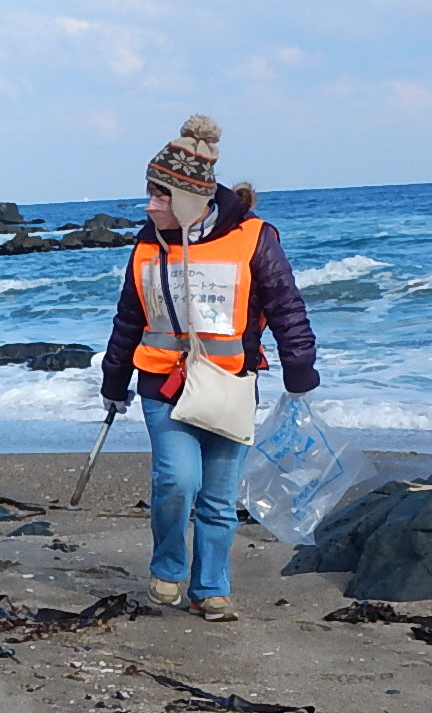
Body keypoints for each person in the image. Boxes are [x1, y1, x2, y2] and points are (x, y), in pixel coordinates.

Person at [100, 115, 319, 622]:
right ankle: (169, 569)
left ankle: (212, 589)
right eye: (149, 194)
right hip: (163, 383)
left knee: (219, 499)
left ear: (190, 201)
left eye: (160, 196)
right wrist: (113, 381)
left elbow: (287, 307)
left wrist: (299, 368)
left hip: (231, 385)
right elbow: (129, 317)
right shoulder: (145, 244)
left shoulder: (255, 239)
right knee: (176, 481)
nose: (150, 205)